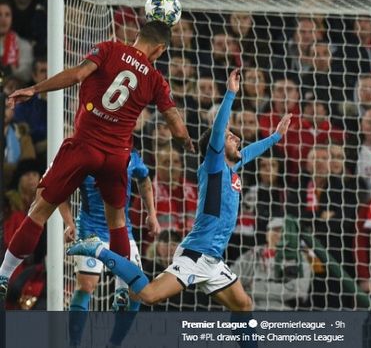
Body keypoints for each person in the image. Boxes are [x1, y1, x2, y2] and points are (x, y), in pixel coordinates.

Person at [67, 70, 290, 346]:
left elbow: (251, 151)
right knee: (147, 294)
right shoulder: (214, 166)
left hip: (213, 259)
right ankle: (96, 249)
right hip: (194, 255)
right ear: (217, 146)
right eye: (231, 137)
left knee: (244, 305)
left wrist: (276, 138)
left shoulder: (233, 168)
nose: (237, 140)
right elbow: (219, 131)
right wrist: (231, 93)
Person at [0, 20, 192, 300]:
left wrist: (35, 90)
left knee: (39, 209)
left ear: (138, 36)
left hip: (84, 145)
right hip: (116, 157)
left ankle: (4, 274)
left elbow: (78, 75)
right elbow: (175, 125)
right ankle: (123, 287)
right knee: (117, 222)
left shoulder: (108, 49)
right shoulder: (155, 79)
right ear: (160, 49)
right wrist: (187, 142)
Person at [61, 149, 160, 347]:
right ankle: (74, 343)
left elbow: (144, 179)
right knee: (87, 285)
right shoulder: (83, 155)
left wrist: (152, 213)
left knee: (137, 290)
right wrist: (69, 222)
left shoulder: (130, 155)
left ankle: (114, 343)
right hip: (90, 230)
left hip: (123, 231)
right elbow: (60, 189)